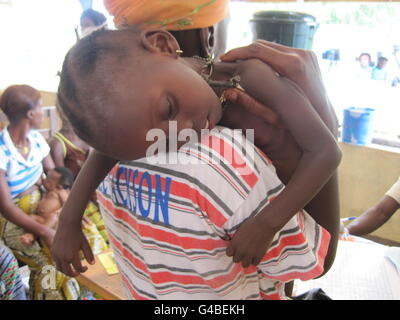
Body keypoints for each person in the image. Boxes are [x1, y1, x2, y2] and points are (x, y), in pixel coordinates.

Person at [52, 26, 340, 288]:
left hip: (304, 202)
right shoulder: (146, 106)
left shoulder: (252, 76)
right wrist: (69, 218)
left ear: (164, 45)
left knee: (286, 280)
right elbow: (106, 150)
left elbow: (325, 151)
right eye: (159, 143)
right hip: (277, 237)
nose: (182, 132)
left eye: (168, 109)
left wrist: (266, 224)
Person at [0, 85, 101, 300]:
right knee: (51, 262)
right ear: (30, 114)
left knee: (87, 240)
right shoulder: (2, 150)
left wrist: (70, 213)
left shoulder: (36, 140)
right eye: (39, 107)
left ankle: (83, 296)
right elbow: (7, 207)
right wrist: (44, 231)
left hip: (47, 204)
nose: (42, 113)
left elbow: (53, 175)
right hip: (17, 218)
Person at [49, 109, 109, 244]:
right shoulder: (58, 143)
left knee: (108, 229)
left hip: (94, 191)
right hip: (77, 196)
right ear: (63, 111)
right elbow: (63, 183)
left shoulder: (87, 134)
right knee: (96, 234)